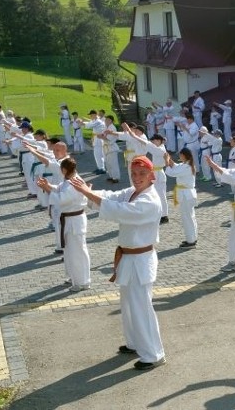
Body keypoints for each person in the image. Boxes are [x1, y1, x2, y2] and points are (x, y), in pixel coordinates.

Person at [69, 156, 166, 370]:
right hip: (128, 257)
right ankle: (134, 343)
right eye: (133, 174)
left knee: (142, 307)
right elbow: (111, 196)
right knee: (129, 305)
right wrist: (88, 191)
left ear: (152, 176)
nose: (137, 178)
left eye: (142, 174)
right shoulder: (132, 192)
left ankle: (153, 353)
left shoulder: (150, 200)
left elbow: (122, 212)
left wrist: (88, 193)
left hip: (141, 259)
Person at [38, 158, 91, 292]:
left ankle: (82, 282)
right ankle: (74, 277)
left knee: (77, 252)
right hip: (69, 220)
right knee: (69, 252)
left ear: (64, 170)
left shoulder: (75, 183)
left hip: (74, 221)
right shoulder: (69, 181)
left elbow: (62, 199)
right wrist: (49, 186)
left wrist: (47, 189)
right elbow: (60, 189)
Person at [164, 148, 198, 247]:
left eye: (180, 155)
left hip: (186, 195)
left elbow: (171, 172)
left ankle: (191, 240)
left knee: (187, 218)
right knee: (190, 217)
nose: (179, 156)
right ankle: (192, 238)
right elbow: (175, 166)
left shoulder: (187, 167)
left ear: (184, 155)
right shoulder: (186, 165)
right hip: (187, 194)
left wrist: (166, 161)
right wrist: (169, 159)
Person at [82, 110, 107, 174]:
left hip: (99, 139)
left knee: (99, 154)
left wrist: (82, 123)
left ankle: (102, 168)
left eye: (91, 115)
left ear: (95, 115)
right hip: (96, 138)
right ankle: (99, 167)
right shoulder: (95, 120)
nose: (90, 116)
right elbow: (89, 123)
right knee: (96, 155)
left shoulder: (98, 121)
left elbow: (89, 126)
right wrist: (83, 122)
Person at [99, 116, 122, 184]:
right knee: (108, 163)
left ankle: (116, 178)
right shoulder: (106, 127)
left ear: (111, 121)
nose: (106, 121)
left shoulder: (112, 128)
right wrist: (101, 136)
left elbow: (109, 138)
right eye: (106, 120)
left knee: (113, 164)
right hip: (106, 148)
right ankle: (111, 176)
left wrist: (101, 137)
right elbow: (103, 135)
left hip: (112, 148)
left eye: (108, 120)